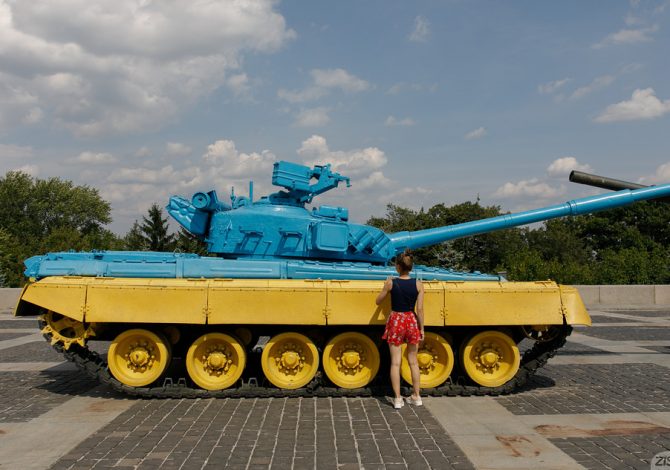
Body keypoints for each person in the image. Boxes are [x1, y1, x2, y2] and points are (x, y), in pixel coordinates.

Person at [375, 248, 424, 409]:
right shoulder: (418, 284)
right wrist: (422, 329)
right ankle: (416, 396)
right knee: (413, 362)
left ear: (397, 266)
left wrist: (385, 286)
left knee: (395, 363)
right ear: (411, 267)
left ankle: (397, 399)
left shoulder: (391, 283)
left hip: (396, 320)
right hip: (411, 320)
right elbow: (420, 309)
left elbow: (378, 301)